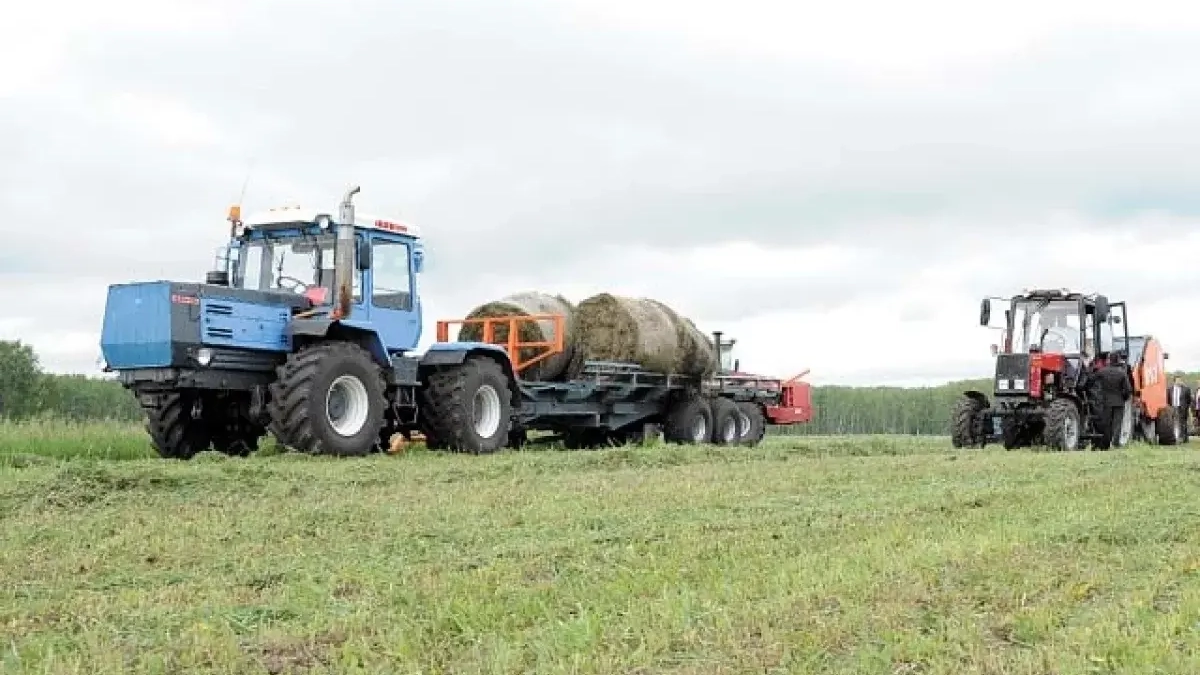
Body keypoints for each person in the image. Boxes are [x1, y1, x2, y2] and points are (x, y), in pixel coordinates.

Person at [1089, 352, 1132, 450]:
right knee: (1117, 424)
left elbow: (1091, 379)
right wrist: (1124, 398)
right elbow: (1128, 389)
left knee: (1107, 424)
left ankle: (1106, 445)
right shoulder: (1122, 373)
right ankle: (1115, 443)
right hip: (1119, 402)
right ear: (1117, 360)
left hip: (1106, 402)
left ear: (1109, 360)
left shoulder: (1103, 371)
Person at [1169, 375, 1192, 442]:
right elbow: (1168, 399)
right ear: (1174, 381)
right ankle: (1174, 437)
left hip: (1182, 408)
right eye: (1177, 380)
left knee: (1183, 423)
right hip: (1173, 408)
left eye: (1180, 380)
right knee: (1173, 423)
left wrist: (1186, 407)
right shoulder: (1170, 389)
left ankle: (1184, 438)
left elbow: (1189, 400)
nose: (1179, 381)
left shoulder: (1186, 389)